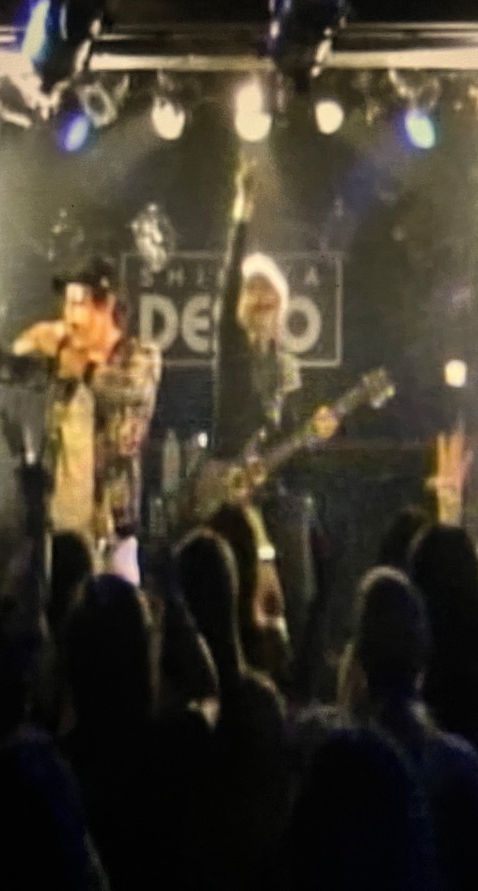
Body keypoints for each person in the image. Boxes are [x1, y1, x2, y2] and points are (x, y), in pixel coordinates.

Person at [0, 257, 161, 585]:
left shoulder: (139, 356)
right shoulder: (62, 364)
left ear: (107, 305)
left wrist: (69, 357)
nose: (69, 315)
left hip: (111, 533)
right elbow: (6, 366)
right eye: (67, 304)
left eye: (79, 304)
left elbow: (123, 390)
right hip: (61, 530)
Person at [210, 161, 338, 689]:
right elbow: (226, 287)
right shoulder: (232, 350)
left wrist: (316, 433)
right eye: (254, 292)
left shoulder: (287, 364)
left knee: (308, 576)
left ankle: (298, 685)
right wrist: (241, 214)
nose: (262, 301)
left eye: (271, 295)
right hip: (229, 486)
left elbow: (291, 441)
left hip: (273, 490)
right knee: (238, 595)